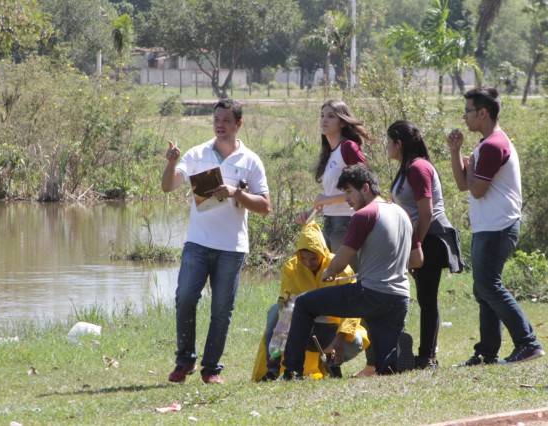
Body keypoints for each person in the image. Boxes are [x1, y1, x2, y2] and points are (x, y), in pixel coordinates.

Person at [161, 98, 270, 384]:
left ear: (238, 124)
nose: (220, 125)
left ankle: (211, 369)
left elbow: (264, 206)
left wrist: (236, 193)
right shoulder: (197, 154)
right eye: (216, 120)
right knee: (185, 297)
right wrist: (171, 163)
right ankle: (185, 361)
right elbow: (168, 186)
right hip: (197, 242)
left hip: (232, 247)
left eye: (226, 121)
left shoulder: (251, 161)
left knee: (221, 309)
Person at [281, 164, 415, 379]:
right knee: (385, 366)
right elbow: (418, 258)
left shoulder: (364, 215)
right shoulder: (402, 213)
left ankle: (292, 371)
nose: (347, 199)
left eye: (349, 192)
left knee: (305, 303)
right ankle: (393, 361)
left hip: (371, 293)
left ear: (365, 188)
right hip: (400, 297)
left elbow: (340, 263)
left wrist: (328, 273)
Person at [447, 87, 544, 366]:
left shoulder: (493, 145)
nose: (464, 117)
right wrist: (456, 152)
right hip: (487, 227)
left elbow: (476, 191)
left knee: (489, 285)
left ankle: (528, 343)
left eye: (467, 111)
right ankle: (487, 352)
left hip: (498, 227)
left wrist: (471, 163)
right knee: (483, 288)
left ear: (483, 113)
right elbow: (464, 184)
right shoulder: (484, 144)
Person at [386, 120, 464, 369]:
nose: (386, 146)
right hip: (420, 238)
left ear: (399, 143)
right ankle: (424, 354)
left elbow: (427, 212)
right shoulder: (408, 167)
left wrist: (415, 245)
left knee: (427, 298)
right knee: (423, 296)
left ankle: (427, 356)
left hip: (430, 237)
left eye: (389, 141)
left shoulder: (418, 168)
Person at [251, 221, 369, 382]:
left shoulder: (340, 267)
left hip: (331, 327)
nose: (308, 263)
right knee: (274, 313)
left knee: (355, 341)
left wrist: (340, 338)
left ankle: (332, 363)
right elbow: (286, 305)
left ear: (323, 252)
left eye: (313, 258)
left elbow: (352, 308)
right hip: (301, 325)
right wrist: (283, 336)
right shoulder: (291, 267)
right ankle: (273, 368)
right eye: (304, 258)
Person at [295, 99, 370, 260]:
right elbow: (331, 194)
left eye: (330, 116)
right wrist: (312, 211)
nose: (324, 120)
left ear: (342, 122)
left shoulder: (348, 147)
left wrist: (327, 199)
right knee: (332, 278)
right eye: (322, 115)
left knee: (347, 277)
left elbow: (365, 188)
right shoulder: (329, 153)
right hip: (329, 223)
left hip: (347, 222)